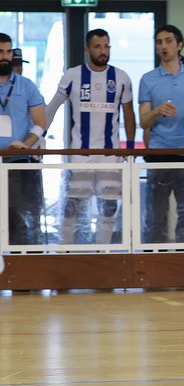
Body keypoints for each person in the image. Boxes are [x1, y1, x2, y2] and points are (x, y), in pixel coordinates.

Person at [45, 28, 136, 245]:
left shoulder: (121, 77)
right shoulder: (72, 75)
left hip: (110, 154)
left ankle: (103, 251)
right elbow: (52, 107)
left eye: (106, 46)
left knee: (109, 206)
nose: (103, 51)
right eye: (97, 46)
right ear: (87, 49)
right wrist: (39, 135)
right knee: (72, 204)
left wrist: (130, 147)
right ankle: (64, 248)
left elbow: (129, 114)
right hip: (80, 153)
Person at [138, 24, 184, 243]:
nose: (164, 46)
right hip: (160, 153)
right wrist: (157, 111)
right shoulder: (148, 79)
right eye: (159, 42)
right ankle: (155, 256)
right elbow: (143, 121)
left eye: (168, 41)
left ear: (179, 45)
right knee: (157, 211)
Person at [0, 33, 45, 245]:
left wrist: (25, 146)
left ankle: (20, 260)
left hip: (16, 163)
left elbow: (40, 123)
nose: (5, 56)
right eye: (0, 52)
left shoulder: (27, 86)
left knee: (17, 215)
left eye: (8, 51)